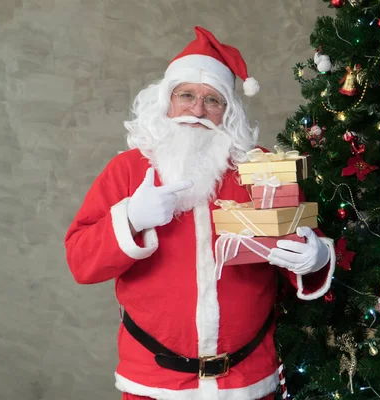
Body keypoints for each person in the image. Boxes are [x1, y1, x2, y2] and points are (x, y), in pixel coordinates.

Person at [65, 26, 336, 400]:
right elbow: (81, 261)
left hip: (248, 382)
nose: (197, 110)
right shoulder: (126, 171)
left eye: (213, 101)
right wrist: (131, 220)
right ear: (166, 102)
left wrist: (316, 254)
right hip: (155, 385)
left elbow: (296, 241)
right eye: (187, 95)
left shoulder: (260, 167)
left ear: (229, 112)